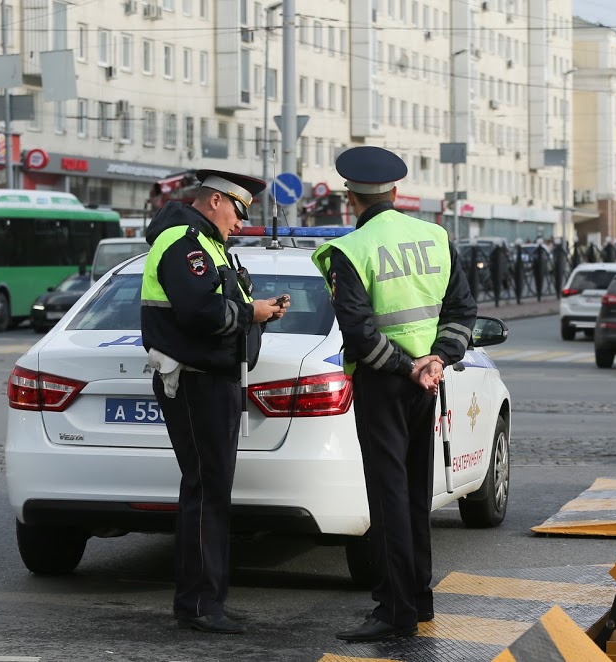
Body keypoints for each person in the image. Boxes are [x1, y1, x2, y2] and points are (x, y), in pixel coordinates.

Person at [312, 146, 477, 642]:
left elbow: (360, 335)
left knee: (387, 499)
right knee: (415, 496)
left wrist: (408, 368)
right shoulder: (435, 237)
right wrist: (437, 360)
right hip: (427, 383)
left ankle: (393, 610)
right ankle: (419, 599)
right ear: (396, 193)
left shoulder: (350, 250)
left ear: (350, 198)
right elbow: (462, 310)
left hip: (386, 382)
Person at [140, 169, 287, 634]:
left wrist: (256, 311)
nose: (241, 222)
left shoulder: (209, 244)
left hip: (214, 381)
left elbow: (217, 305)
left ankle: (209, 598)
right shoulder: (184, 242)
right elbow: (201, 312)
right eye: (239, 211)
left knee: (213, 493)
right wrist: (253, 312)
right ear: (216, 201)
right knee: (206, 493)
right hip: (196, 382)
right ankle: (200, 605)